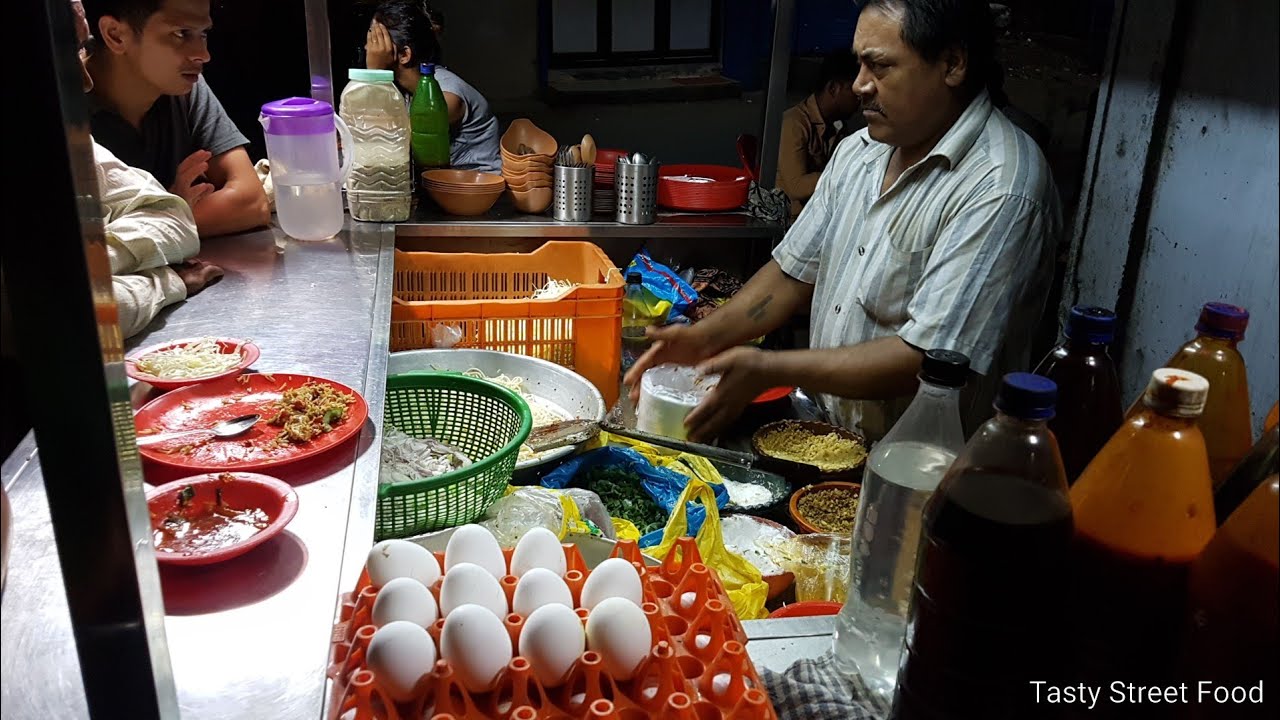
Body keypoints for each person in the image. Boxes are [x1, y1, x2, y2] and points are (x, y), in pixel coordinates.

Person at [626, 0, 1061, 443]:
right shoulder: (860, 152)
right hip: (829, 438)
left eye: (880, 67)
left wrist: (768, 368)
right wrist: (702, 339)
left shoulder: (1001, 185)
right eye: (858, 65)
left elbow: (930, 362)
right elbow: (791, 275)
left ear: (952, 64)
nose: (859, 86)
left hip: (926, 466)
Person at [72, 0, 222, 337]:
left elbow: (175, 219)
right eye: (67, 53)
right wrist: (163, 281)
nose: (84, 79)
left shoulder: (69, 139)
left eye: (81, 47)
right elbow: (70, 313)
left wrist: (88, 263)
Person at [83, 0, 270, 238]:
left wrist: (157, 220)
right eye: (181, 34)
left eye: (203, 34)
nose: (203, 55)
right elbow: (85, 245)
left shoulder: (183, 88)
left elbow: (252, 202)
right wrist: (169, 212)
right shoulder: (65, 108)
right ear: (116, 35)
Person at [364, 0, 502, 173]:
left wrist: (374, 73)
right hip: (444, 184)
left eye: (376, 40)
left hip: (474, 191)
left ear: (405, 54)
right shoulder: (404, 90)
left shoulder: (447, 97)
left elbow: (389, 139)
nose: (367, 48)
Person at [776, 50, 864, 216]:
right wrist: (847, 172)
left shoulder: (837, 126)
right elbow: (797, 187)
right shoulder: (794, 124)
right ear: (833, 88)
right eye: (855, 93)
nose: (860, 101)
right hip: (791, 220)